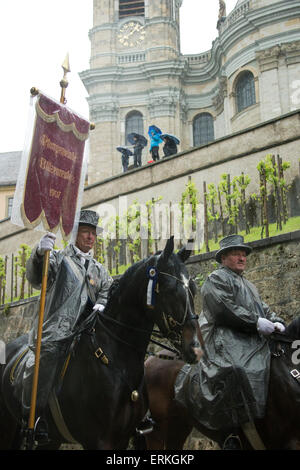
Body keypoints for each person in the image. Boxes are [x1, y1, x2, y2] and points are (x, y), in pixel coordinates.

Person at [175, 235, 285, 450]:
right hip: (223, 337)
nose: (242, 257)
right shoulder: (216, 279)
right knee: (236, 369)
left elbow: (263, 307)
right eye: (236, 253)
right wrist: (256, 322)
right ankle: (232, 432)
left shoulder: (249, 285)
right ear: (224, 257)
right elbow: (224, 309)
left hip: (249, 336)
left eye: (243, 254)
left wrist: (277, 321)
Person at [22, 209, 113, 443]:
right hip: (56, 331)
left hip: (86, 332)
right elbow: (34, 277)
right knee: (47, 362)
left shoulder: (100, 270)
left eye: (93, 233)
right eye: (85, 232)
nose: (91, 238)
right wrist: (39, 253)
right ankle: (37, 417)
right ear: (74, 235)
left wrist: (101, 304)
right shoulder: (59, 258)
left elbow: (107, 290)